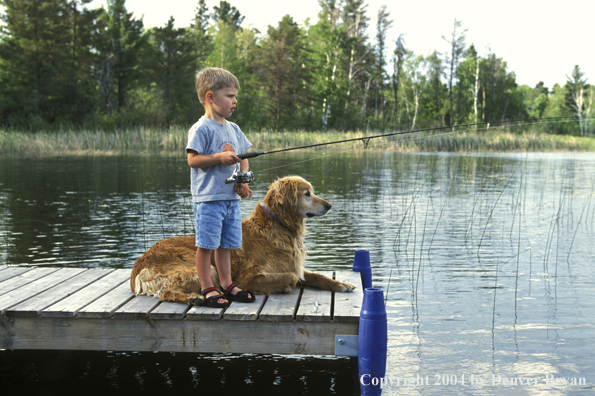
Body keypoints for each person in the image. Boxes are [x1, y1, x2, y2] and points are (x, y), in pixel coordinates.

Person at [186, 67, 255, 308]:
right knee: (207, 245)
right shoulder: (201, 128)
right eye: (229, 95)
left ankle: (227, 284)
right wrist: (218, 158)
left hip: (230, 199)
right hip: (208, 199)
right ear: (210, 97)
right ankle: (207, 287)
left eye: (235, 96)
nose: (234, 101)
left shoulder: (234, 128)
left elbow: (243, 156)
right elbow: (192, 160)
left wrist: (243, 181)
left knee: (226, 245)